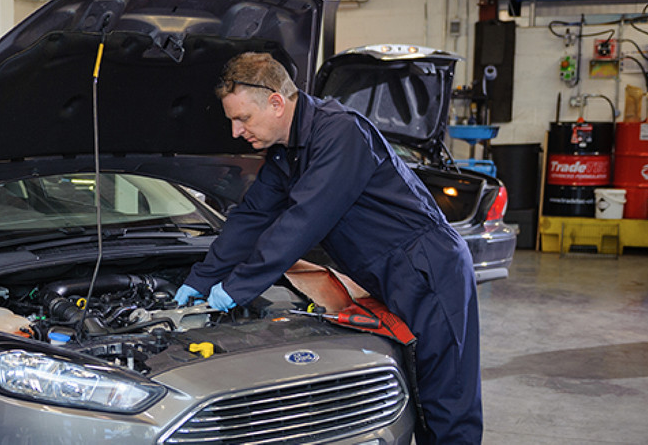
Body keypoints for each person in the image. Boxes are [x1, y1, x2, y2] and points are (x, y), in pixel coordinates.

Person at [174, 52, 482, 443]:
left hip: (429, 268)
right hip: (390, 271)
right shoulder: (288, 152)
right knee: (416, 394)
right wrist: (200, 281)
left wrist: (236, 290)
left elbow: (302, 222)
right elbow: (250, 219)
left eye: (242, 119)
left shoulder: (341, 133)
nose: (236, 132)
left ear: (275, 101)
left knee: (447, 400)